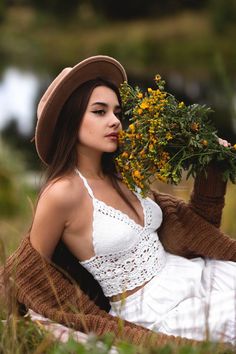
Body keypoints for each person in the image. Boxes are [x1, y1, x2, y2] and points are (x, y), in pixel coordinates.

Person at [1, 55, 236, 348]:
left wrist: (210, 166)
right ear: (70, 120)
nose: (114, 121)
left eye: (116, 112)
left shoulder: (124, 173)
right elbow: (25, 272)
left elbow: (198, 230)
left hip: (196, 276)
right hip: (154, 311)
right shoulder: (63, 193)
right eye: (99, 112)